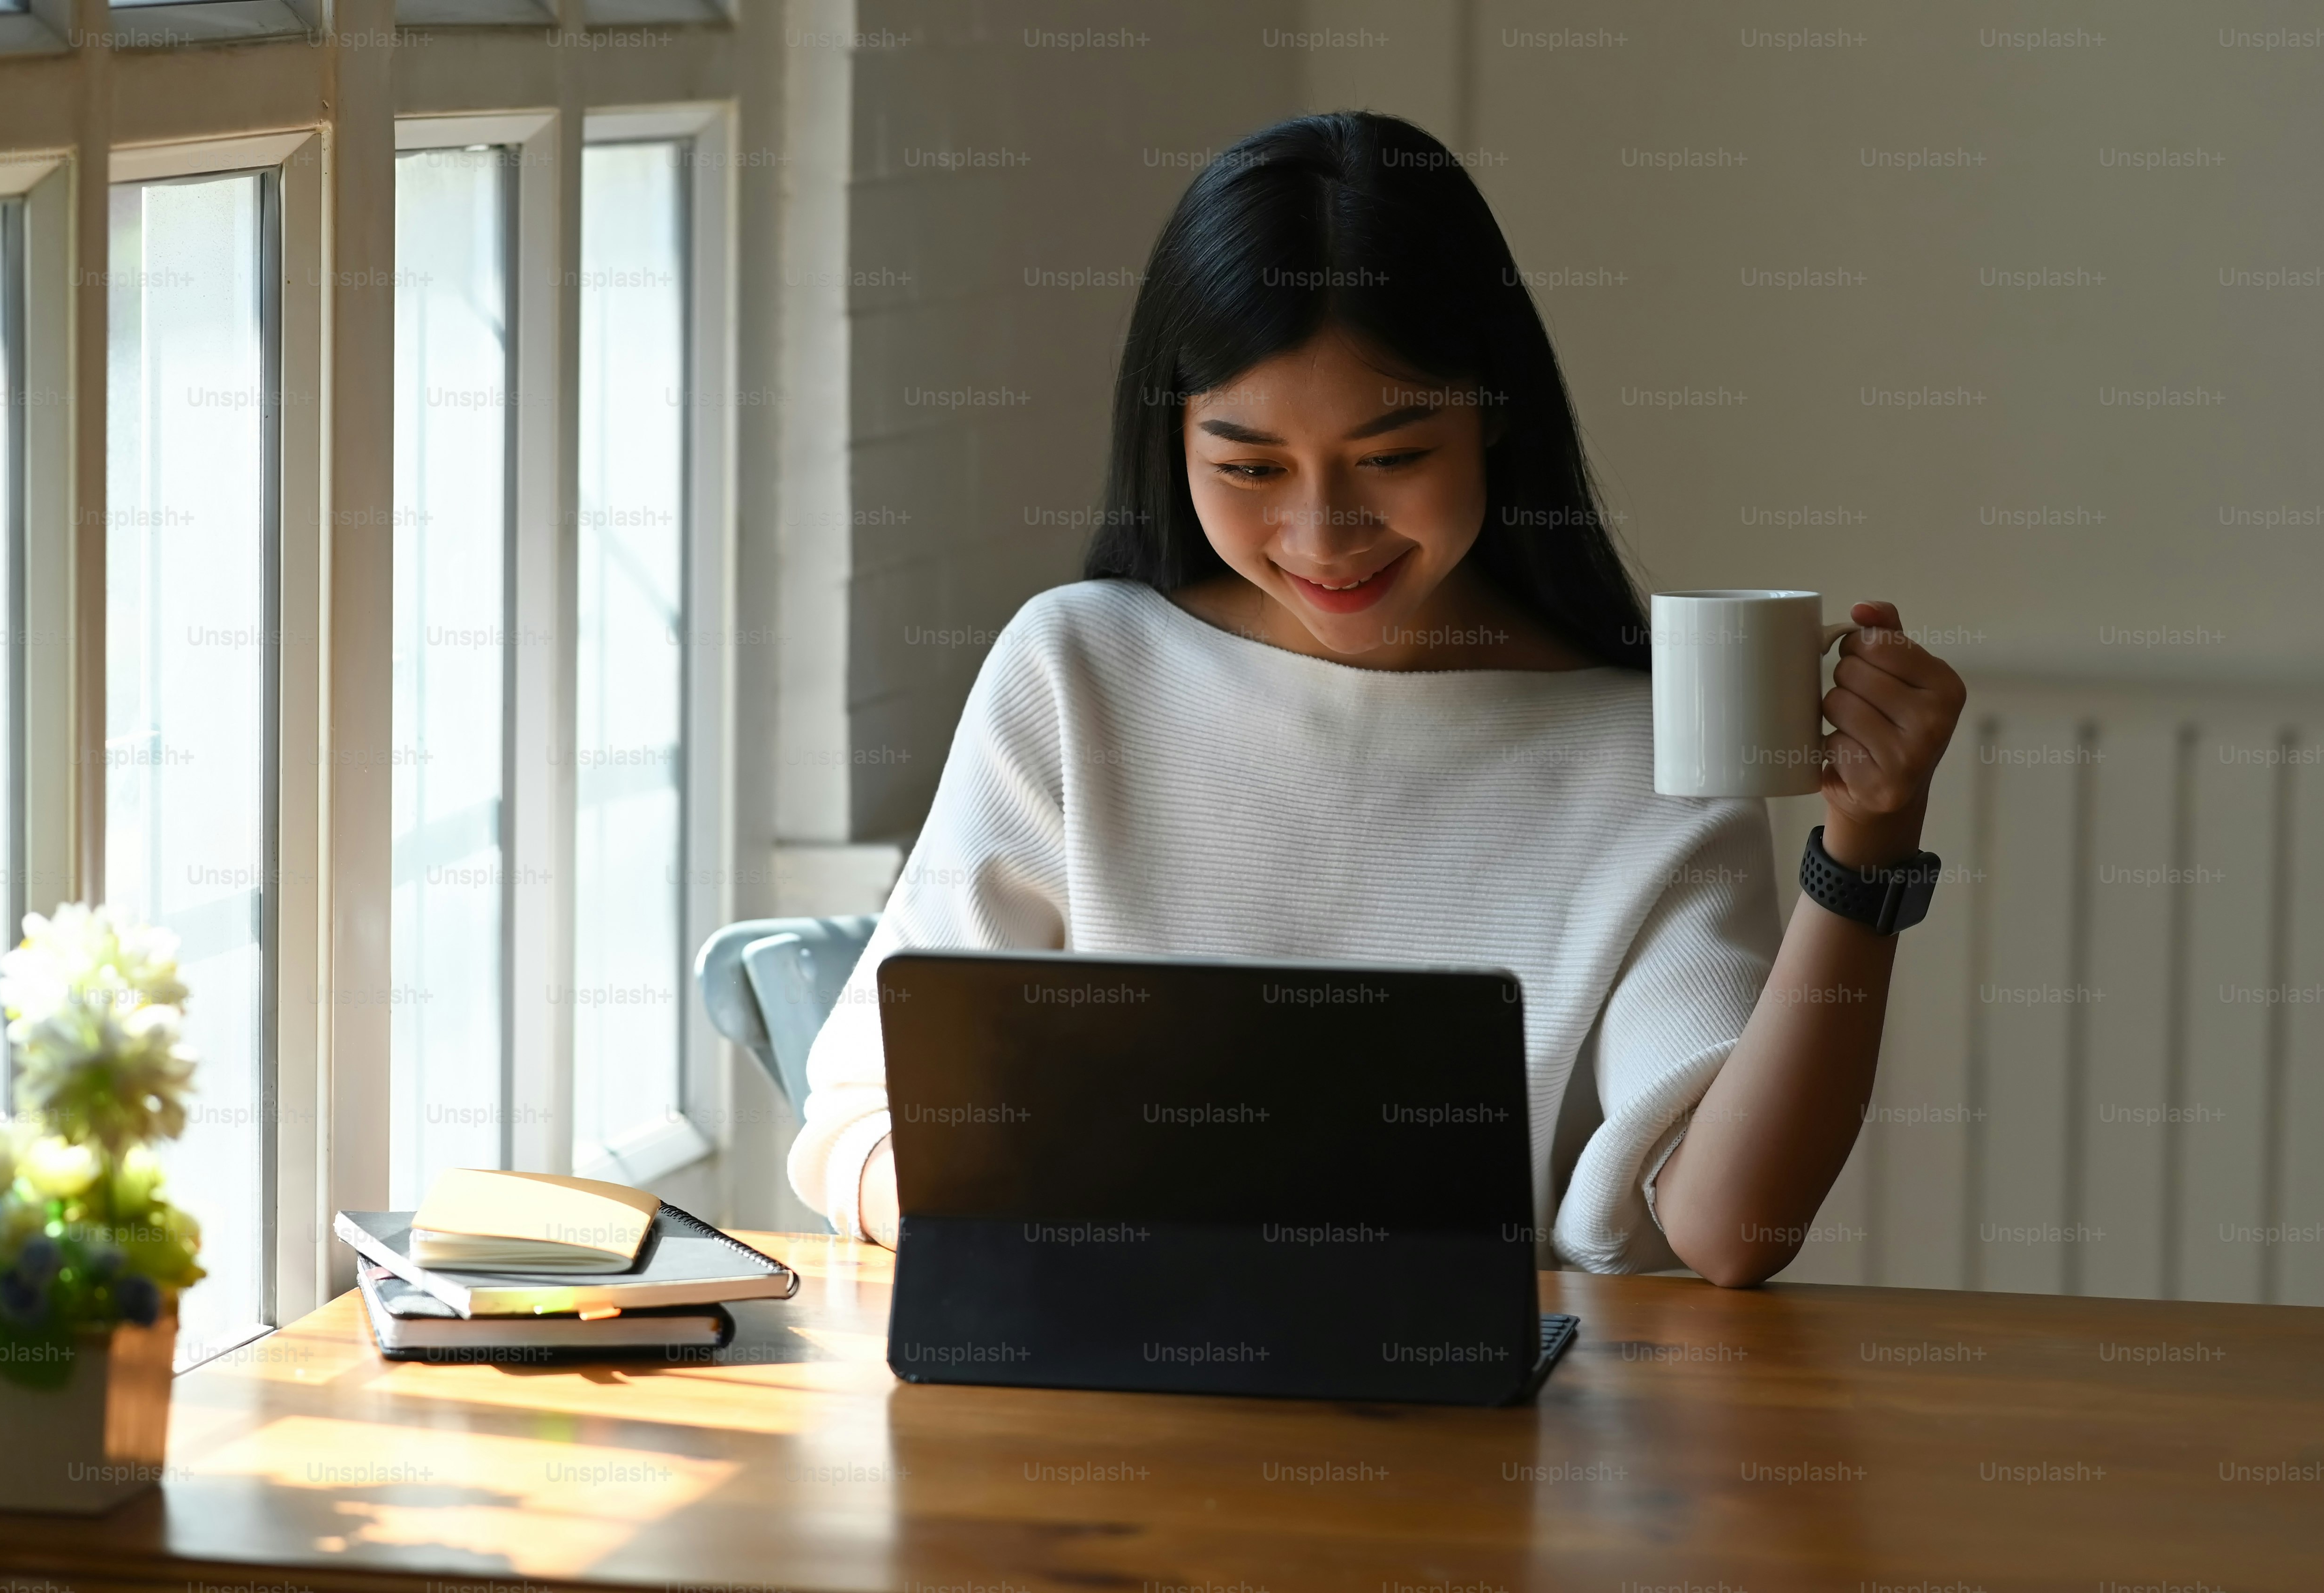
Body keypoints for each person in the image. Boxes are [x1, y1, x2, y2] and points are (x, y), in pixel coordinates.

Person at [787, 111, 1965, 1284]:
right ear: (1173, 438)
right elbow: (854, 1124)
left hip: (1480, 1435)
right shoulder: (1077, 670)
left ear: (1492, 411)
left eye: (1393, 457)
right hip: (1106, 1390)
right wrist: (1069, 1226)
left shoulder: (1642, 741)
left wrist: (1863, 860)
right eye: (1250, 468)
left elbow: (1728, 1229)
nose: (1323, 535)